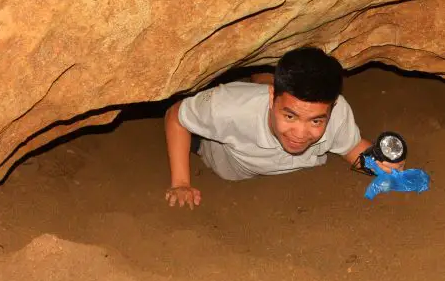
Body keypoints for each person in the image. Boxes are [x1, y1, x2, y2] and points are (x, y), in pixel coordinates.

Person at [163, 46, 405, 208]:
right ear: (271, 99)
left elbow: (351, 148)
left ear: (332, 107)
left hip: (268, 104)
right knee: (200, 119)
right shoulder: (229, 107)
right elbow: (175, 115)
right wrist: (181, 183)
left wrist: (381, 165)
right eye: (290, 117)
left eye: (316, 121)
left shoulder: (338, 112)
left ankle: (264, 75)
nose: (300, 134)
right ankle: (258, 73)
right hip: (223, 152)